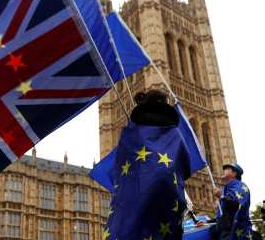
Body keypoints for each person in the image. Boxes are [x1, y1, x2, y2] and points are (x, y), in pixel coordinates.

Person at [104, 89, 191, 239]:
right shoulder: (175, 133)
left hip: (135, 192)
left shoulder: (132, 132)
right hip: (169, 194)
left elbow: (119, 165)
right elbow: (186, 168)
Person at [202, 163, 252, 239]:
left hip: (236, 233)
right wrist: (206, 223)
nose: (224, 170)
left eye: (227, 169)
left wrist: (221, 197)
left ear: (234, 173)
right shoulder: (225, 189)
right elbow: (222, 216)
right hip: (224, 233)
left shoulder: (240, 186)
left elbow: (236, 204)